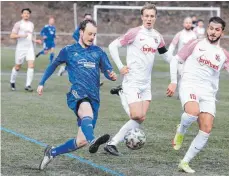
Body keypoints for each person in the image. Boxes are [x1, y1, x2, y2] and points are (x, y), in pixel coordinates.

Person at [37, 19, 117, 170]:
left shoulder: (98, 52)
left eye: (94, 34)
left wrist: (111, 75)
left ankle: (52, 152)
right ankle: (93, 140)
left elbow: (107, 71)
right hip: (78, 94)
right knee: (86, 111)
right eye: (89, 33)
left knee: (81, 141)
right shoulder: (69, 50)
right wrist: (41, 82)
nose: (92, 37)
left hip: (94, 98)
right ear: (81, 32)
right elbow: (53, 64)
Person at [104, 3, 171, 156]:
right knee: (135, 116)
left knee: (141, 118)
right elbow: (112, 46)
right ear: (142, 17)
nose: (149, 19)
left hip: (146, 84)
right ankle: (122, 92)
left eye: (152, 16)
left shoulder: (157, 37)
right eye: (146, 16)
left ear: (155, 17)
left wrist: (181, 62)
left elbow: (167, 56)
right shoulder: (134, 33)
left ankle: (112, 143)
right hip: (132, 81)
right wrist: (120, 66)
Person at [167, 17, 228, 173]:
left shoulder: (223, 54)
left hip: (208, 93)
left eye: (217, 29)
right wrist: (174, 82)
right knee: (193, 113)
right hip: (190, 85)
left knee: (206, 129)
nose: (213, 32)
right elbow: (175, 60)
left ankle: (185, 162)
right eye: (211, 28)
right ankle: (180, 130)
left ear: (222, 32)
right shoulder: (195, 44)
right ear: (207, 29)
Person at [10, 8, 42, 92]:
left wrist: (35, 40)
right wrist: (20, 35)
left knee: (31, 65)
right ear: (22, 15)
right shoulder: (18, 24)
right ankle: (12, 81)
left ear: (29, 15)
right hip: (21, 48)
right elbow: (12, 36)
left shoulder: (31, 24)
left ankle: (28, 85)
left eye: (28, 13)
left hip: (30, 48)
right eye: (24, 13)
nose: (26, 14)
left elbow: (30, 36)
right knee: (18, 66)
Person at [168, 17, 197, 91]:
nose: (188, 24)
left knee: (187, 77)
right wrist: (170, 56)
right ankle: (182, 92)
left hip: (190, 60)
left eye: (190, 23)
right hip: (180, 60)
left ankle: (184, 92)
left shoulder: (194, 35)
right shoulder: (179, 34)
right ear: (183, 24)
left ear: (191, 24)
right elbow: (172, 45)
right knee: (182, 76)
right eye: (186, 22)